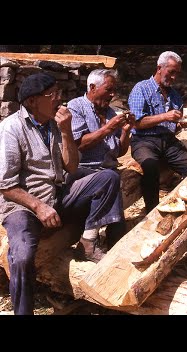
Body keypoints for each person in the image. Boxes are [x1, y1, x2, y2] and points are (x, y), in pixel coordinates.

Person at [0, 73, 124, 315]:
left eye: (59, 93)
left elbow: (71, 167)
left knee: (108, 178)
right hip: (23, 206)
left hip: (56, 195)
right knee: (22, 256)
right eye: (53, 95)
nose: (60, 99)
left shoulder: (53, 124)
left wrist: (66, 131)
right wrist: (38, 207)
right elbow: (5, 185)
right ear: (33, 101)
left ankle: (88, 242)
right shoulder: (10, 129)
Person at [68, 69, 135, 248]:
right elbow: (79, 144)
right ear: (92, 87)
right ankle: (89, 242)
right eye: (109, 90)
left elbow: (119, 152)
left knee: (118, 232)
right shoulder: (76, 106)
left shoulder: (111, 113)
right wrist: (108, 128)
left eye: (114, 90)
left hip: (108, 172)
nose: (112, 95)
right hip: (84, 172)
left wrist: (126, 131)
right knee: (110, 180)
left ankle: (106, 242)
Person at [128, 51, 187, 213]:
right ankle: (152, 210)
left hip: (168, 142)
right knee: (150, 166)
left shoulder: (175, 95)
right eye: (171, 72)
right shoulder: (141, 89)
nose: (174, 77)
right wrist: (165, 116)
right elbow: (137, 122)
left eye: (177, 73)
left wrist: (178, 123)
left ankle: (186, 202)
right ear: (159, 68)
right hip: (144, 141)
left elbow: (173, 123)